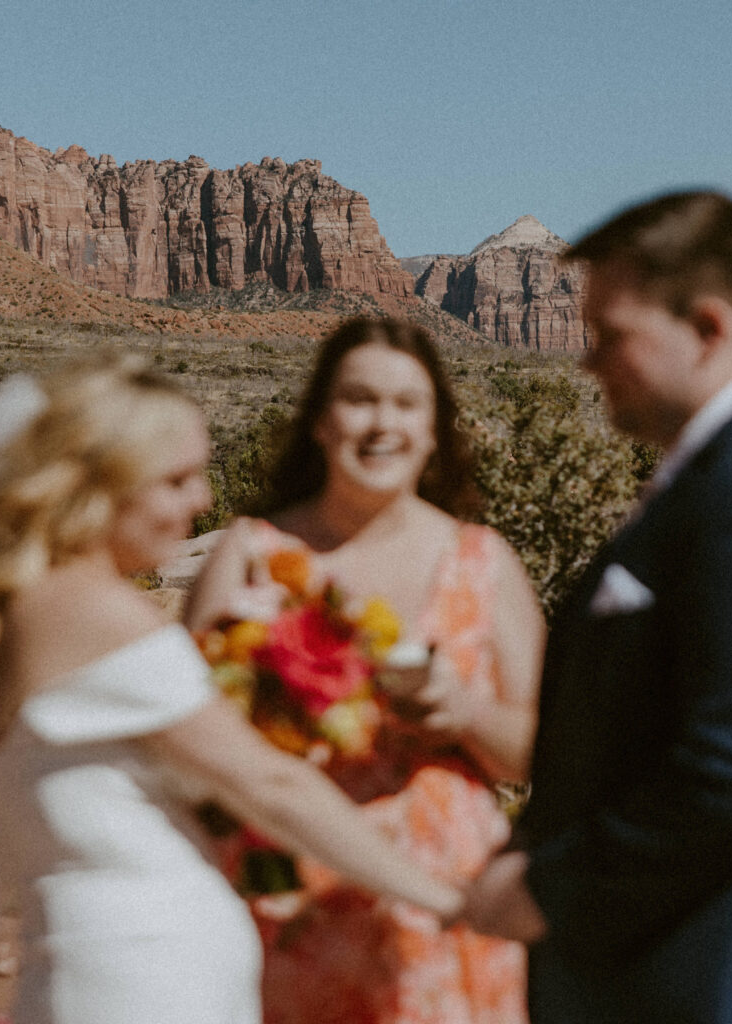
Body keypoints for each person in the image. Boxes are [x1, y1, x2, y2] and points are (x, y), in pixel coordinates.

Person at [0, 354, 465, 1024]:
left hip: (92, 969)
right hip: (144, 982)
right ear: (98, 486)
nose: (202, 500)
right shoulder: (97, 613)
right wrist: (448, 899)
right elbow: (270, 785)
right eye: (176, 479)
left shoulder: (14, 610)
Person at [464, 190, 732, 1023]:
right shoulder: (723, 478)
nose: (588, 363)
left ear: (707, 327)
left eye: (613, 335)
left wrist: (548, 889)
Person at [184, 316, 546, 1024]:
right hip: (282, 908)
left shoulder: (481, 562)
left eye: (407, 404)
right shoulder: (253, 553)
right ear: (320, 420)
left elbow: (542, 749)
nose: (383, 423)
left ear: (435, 429)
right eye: (360, 399)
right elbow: (186, 743)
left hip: (445, 914)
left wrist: (465, 711)